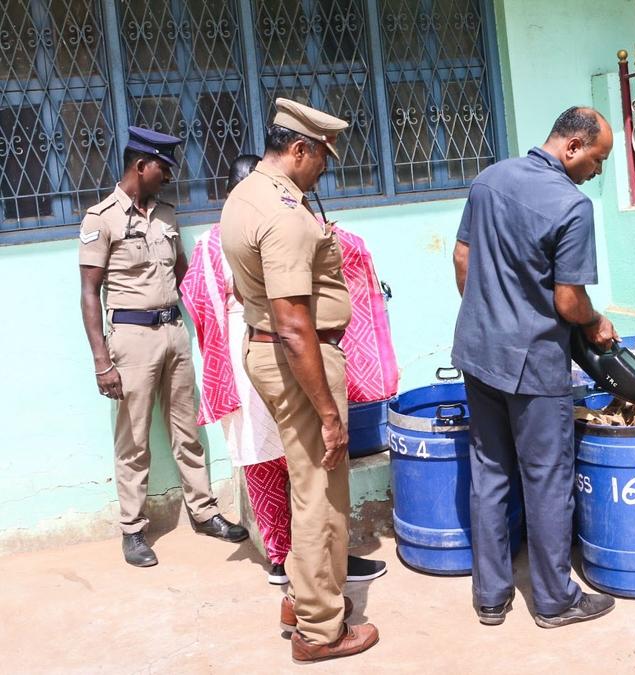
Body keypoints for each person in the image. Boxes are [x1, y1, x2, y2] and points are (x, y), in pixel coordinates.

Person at [180, 154, 391, 587]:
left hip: (266, 348)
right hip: (266, 345)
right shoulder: (221, 240)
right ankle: (288, 559)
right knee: (282, 458)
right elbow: (203, 304)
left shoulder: (276, 224)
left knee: (305, 460)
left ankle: (315, 560)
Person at [221, 99, 378, 663]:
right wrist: (331, 415)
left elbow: (247, 292)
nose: (323, 172)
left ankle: (299, 598)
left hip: (268, 352)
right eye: (321, 161)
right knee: (321, 493)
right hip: (299, 355)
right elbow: (292, 322)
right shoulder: (285, 213)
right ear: (299, 149)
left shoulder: (243, 196)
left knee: (303, 480)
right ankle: (320, 630)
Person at [451, 106, 618, 628]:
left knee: (489, 471)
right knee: (546, 478)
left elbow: (462, 259)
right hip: (534, 362)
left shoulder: (488, 179)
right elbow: (569, 301)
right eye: (597, 159)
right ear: (572, 146)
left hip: (479, 353)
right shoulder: (572, 206)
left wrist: (489, 313)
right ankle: (554, 599)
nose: (597, 171)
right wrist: (595, 323)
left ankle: (491, 597)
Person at [78, 126, 249, 568]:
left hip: (174, 332)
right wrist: (102, 361)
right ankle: (133, 530)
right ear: (141, 166)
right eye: (163, 169)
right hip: (131, 341)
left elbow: (184, 274)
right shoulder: (101, 219)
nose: (168, 177)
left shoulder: (167, 215)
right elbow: (89, 292)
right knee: (133, 438)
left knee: (187, 430)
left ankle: (204, 512)